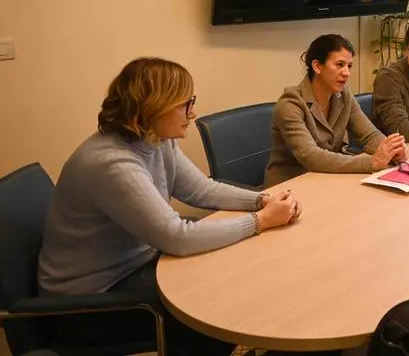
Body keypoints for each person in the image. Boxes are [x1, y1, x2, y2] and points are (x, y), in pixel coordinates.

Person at [37, 57, 301, 356]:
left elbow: (200, 189)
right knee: (215, 307)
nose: (193, 112)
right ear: (155, 106)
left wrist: (260, 200)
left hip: (138, 264)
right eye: (185, 104)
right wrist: (260, 221)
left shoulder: (155, 139)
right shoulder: (111, 163)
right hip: (90, 302)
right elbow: (177, 237)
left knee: (233, 276)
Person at [267, 34, 408, 185]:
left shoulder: (343, 95)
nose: (346, 72)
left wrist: (392, 151)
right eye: (339, 64)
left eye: (349, 66)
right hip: (288, 189)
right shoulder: (290, 104)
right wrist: (371, 162)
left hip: (327, 180)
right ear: (317, 66)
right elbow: (311, 156)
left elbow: (369, 135)